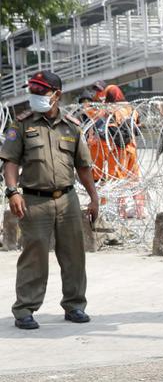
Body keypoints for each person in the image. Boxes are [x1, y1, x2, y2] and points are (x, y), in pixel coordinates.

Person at [2, 71, 99, 329]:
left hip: (67, 199)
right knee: (34, 255)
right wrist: (13, 191)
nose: (34, 95)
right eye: (32, 90)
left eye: (40, 91)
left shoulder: (72, 126)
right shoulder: (21, 125)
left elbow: (84, 167)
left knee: (74, 254)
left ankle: (75, 305)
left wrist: (93, 197)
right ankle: (25, 308)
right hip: (34, 201)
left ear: (56, 95)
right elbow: (10, 162)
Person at [101, 85, 146, 219]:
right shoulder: (131, 108)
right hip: (132, 148)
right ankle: (140, 210)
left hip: (117, 150)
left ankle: (121, 211)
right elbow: (138, 127)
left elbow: (110, 130)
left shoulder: (111, 109)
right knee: (134, 180)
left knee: (118, 180)